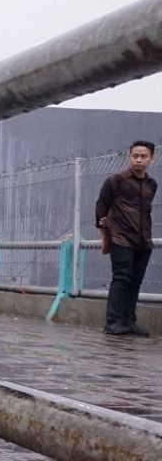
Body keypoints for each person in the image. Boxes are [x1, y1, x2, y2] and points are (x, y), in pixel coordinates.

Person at [96, 140, 156, 337]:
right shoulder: (116, 181)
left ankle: (128, 322)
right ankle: (113, 322)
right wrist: (103, 231)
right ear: (129, 156)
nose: (139, 160)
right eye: (135, 156)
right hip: (120, 237)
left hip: (144, 240)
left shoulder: (151, 184)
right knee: (121, 278)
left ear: (151, 159)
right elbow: (101, 206)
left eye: (143, 156)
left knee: (135, 281)